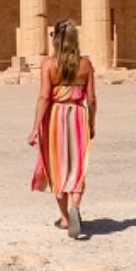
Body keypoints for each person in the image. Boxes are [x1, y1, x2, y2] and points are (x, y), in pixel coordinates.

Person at [27, 19, 96, 239]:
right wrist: (91, 122)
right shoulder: (85, 64)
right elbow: (92, 98)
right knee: (77, 166)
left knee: (58, 167)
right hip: (77, 115)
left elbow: (44, 97)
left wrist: (36, 127)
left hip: (55, 117)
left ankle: (65, 217)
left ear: (55, 38)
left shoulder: (49, 64)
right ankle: (76, 206)